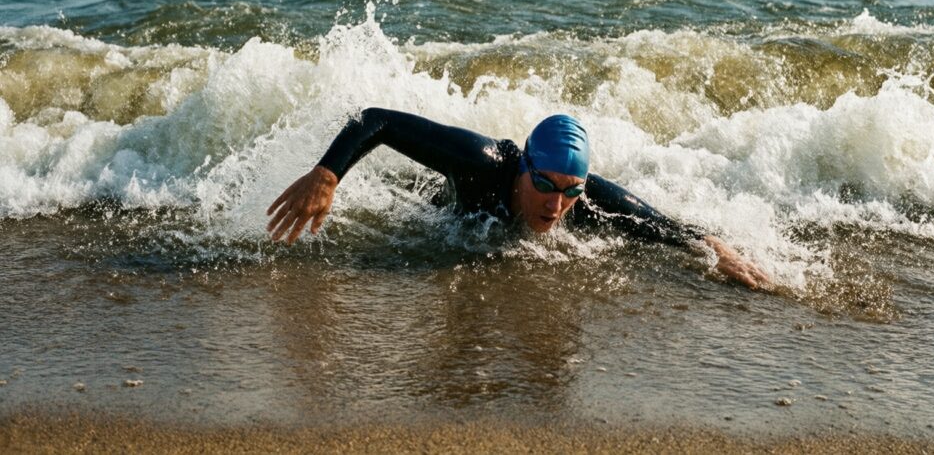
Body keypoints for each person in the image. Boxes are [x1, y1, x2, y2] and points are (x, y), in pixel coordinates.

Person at [267, 108, 771, 289]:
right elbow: (375, 119)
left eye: (570, 192)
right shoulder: (482, 162)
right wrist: (328, 174)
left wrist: (714, 247)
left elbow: (654, 223)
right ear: (526, 167)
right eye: (546, 185)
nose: (556, 204)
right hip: (437, 211)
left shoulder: (584, 199)